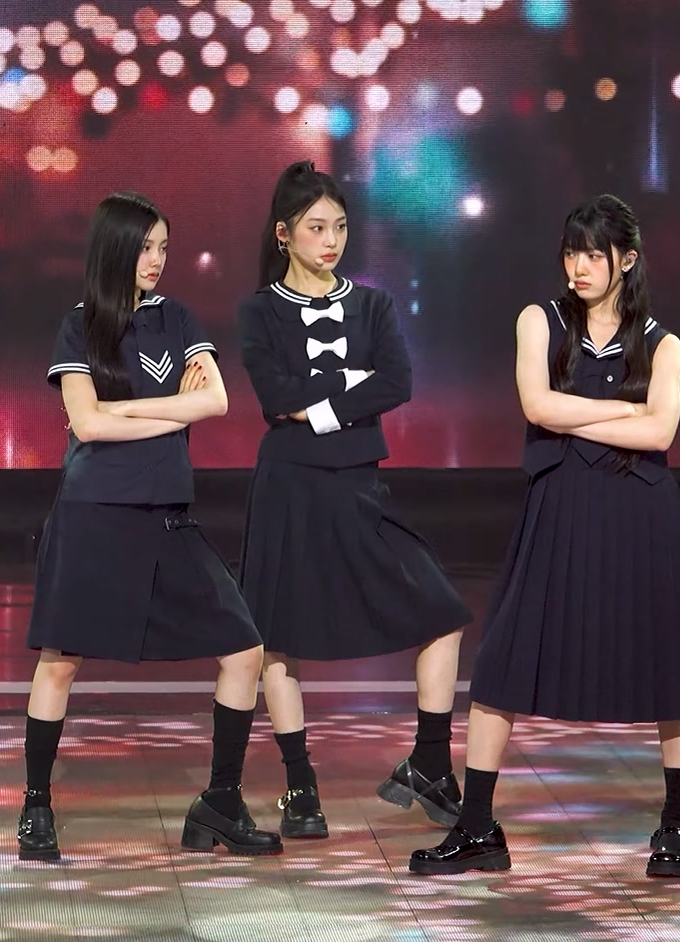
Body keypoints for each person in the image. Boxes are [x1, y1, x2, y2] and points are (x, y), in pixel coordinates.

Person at [409, 195, 680, 878]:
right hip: (558, 506)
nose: (578, 266)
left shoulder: (662, 342)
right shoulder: (539, 320)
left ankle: (675, 826)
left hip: (642, 513)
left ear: (626, 260)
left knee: (672, 665)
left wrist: (593, 418)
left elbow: (661, 431)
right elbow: (536, 406)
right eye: (572, 252)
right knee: (503, 661)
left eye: (594, 254)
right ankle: (478, 827)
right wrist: (623, 414)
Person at [21, 191, 281, 861]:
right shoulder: (80, 327)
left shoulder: (178, 319)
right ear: (114, 249)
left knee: (244, 649)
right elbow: (87, 426)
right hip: (92, 515)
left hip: (167, 514)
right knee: (60, 663)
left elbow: (216, 401)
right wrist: (169, 409)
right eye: (144, 247)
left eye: (163, 247)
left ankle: (220, 803)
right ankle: (36, 808)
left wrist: (130, 411)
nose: (156, 260)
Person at [236, 161, 472, 839]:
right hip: (288, 488)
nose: (331, 240)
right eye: (316, 228)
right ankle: (300, 785)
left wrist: (316, 409)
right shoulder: (259, 310)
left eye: (339, 227)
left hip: (359, 485)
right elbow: (275, 396)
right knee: (278, 639)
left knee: (443, 613)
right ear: (284, 234)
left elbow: (396, 382)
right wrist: (349, 385)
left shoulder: (374, 306)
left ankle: (430, 762)